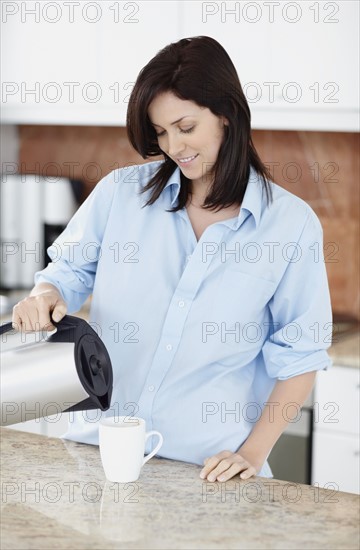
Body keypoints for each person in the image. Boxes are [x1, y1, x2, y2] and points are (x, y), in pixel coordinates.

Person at [12, 36, 333, 483]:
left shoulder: (290, 225)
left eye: (185, 127)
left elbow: (301, 357)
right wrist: (44, 296)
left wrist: (253, 454)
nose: (173, 146)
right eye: (160, 132)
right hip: (98, 454)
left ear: (226, 113)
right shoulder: (120, 194)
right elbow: (65, 273)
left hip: (208, 470)